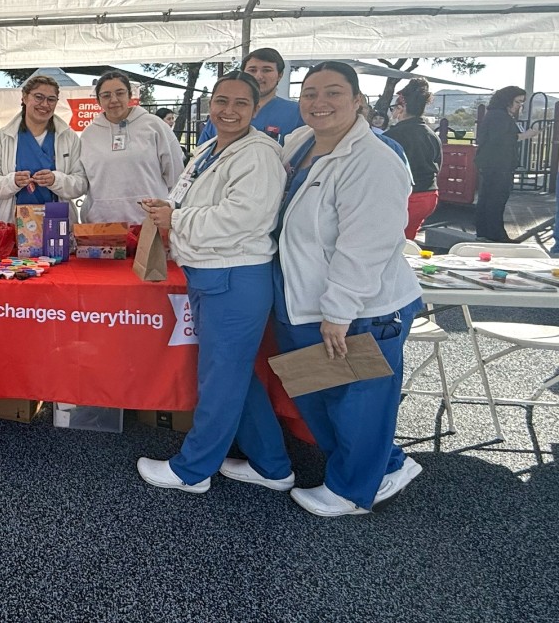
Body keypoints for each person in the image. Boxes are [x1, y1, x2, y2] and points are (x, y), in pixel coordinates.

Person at [275, 61, 424, 517]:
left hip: (358, 307)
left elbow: (369, 243)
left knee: (358, 401)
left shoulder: (373, 158)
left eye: (334, 92)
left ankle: (355, 491)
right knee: (322, 397)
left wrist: (339, 310)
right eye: (310, 92)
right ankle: (389, 464)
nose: (319, 102)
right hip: (305, 298)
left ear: (358, 100)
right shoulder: (301, 142)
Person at [135, 71, 292, 495]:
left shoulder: (258, 154)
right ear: (210, 104)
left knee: (220, 379)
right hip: (210, 272)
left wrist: (176, 219)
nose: (229, 110)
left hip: (235, 276)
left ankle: (193, 470)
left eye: (241, 103)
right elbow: (188, 196)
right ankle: (273, 466)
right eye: (221, 101)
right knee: (235, 375)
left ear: (257, 108)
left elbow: (245, 217)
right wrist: (166, 207)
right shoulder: (209, 147)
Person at [80, 71, 184, 224]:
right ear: (98, 100)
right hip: (102, 224)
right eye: (106, 95)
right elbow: (83, 179)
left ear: (129, 95)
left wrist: (172, 209)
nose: (114, 100)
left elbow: (175, 173)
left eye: (120, 93)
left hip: (150, 222)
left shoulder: (154, 126)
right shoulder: (89, 135)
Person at [0, 75, 88, 222]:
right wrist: (13, 182)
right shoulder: (4, 137)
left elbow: (81, 183)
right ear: (25, 98)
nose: (44, 104)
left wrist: (55, 180)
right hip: (13, 223)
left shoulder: (68, 137)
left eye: (51, 99)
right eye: (38, 97)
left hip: (57, 225)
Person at [198, 47, 303, 145]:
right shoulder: (222, 114)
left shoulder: (297, 113)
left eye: (266, 70)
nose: (258, 76)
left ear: (280, 75)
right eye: (252, 70)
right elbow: (202, 154)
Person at [475, 86, 536, 242]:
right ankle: (496, 234)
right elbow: (500, 140)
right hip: (499, 164)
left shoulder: (495, 114)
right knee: (496, 199)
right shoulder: (500, 116)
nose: (519, 105)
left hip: (491, 163)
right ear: (507, 100)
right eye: (518, 101)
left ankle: (486, 232)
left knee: (487, 198)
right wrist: (524, 135)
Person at [383, 78, 443, 240]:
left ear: (401, 108)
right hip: (430, 195)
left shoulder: (391, 136)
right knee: (408, 238)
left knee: (390, 241)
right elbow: (438, 164)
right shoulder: (432, 135)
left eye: (394, 108)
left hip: (405, 196)